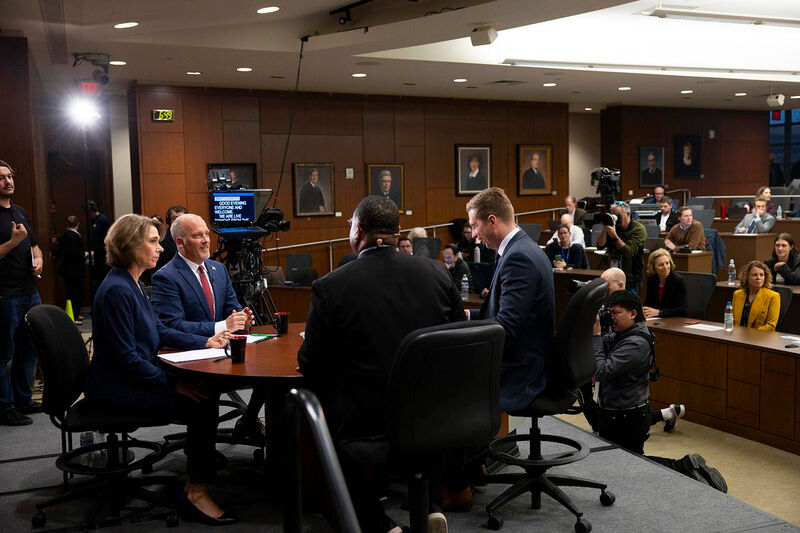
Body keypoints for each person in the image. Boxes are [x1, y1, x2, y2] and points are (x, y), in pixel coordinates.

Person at [298, 196, 463, 533]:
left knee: (320, 412)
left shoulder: (332, 287)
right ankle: (428, 505)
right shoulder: (437, 273)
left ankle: (377, 523)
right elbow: (458, 341)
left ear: (358, 231)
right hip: (435, 416)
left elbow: (311, 365)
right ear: (396, 231)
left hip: (368, 423)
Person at [83, 214, 236, 525]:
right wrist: (171, 384)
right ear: (130, 245)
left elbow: (160, 330)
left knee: (202, 394)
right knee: (200, 403)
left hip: (130, 377)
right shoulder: (117, 290)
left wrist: (206, 340)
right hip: (115, 387)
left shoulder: (133, 283)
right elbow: (127, 358)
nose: (161, 249)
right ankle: (196, 491)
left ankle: (199, 479)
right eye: (153, 242)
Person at [593, 290, 726, 492]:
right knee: (626, 460)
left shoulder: (635, 342)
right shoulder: (628, 332)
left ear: (632, 314)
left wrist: (595, 336)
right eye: (608, 312)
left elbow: (602, 370)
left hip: (626, 415)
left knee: (631, 462)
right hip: (625, 410)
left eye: (615, 313)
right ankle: (684, 466)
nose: (611, 318)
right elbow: (608, 342)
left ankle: (683, 467)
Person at [150, 214, 264, 439]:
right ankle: (201, 464)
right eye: (197, 236)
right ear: (180, 243)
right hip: (191, 358)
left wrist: (243, 321)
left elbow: (232, 310)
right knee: (205, 392)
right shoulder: (166, 277)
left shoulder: (218, 270)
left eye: (206, 234)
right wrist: (222, 326)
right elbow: (172, 325)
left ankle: (249, 419)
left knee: (268, 375)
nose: (205, 240)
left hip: (222, 352)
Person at [466, 188, 554, 410]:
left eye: (475, 225)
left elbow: (507, 328)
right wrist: (467, 316)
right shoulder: (521, 248)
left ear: (492, 221)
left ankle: (480, 443)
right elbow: (506, 314)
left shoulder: (518, 257)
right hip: (526, 358)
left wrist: (462, 342)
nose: (474, 234)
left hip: (521, 372)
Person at [0, 160, 43, 426]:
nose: (8, 181)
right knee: (3, 353)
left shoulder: (20, 212)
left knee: (29, 350)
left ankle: (23, 399)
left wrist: (39, 261)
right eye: (1, 177)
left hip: (30, 291)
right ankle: (4, 407)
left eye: (10, 175)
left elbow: (35, 246)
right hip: (5, 295)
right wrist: (13, 242)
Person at [596, 201, 647, 294]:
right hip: (613, 276)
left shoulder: (638, 229)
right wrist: (606, 229)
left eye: (618, 215)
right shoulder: (613, 227)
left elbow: (629, 252)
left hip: (631, 278)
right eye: (613, 215)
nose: (616, 218)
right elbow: (599, 246)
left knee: (628, 305)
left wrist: (613, 235)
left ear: (627, 214)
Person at [732, 260, 780, 331]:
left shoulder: (773, 296)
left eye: (761, 275)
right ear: (747, 277)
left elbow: (771, 326)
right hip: (738, 335)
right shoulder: (737, 294)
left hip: (760, 338)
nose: (758, 278)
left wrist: (750, 334)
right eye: (754, 275)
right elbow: (731, 320)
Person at [54, 215, 85, 324]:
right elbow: (75, 253)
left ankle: (73, 314)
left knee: (70, 292)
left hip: (66, 269)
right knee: (76, 293)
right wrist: (85, 254)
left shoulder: (63, 236)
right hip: (74, 269)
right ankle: (74, 316)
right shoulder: (75, 237)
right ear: (78, 224)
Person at [643, 249, 687, 318]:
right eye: (661, 265)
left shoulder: (678, 281)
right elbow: (648, 303)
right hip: (656, 319)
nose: (665, 267)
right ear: (653, 267)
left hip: (675, 321)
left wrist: (659, 312)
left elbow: (681, 310)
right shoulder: (652, 280)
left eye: (667, 263)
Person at [87, 200, 111, 291]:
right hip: (96, 255)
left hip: (102, 254)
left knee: (101, 279)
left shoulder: (103, 220)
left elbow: (106, 238)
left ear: (92, 211)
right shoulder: (93, 221)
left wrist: (97, 249)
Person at [154, 205, 187, 272]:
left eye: (181, 219)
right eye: (174, 218)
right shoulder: (161, 238)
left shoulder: (191, 237)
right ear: (169, 221)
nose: (178, 222)